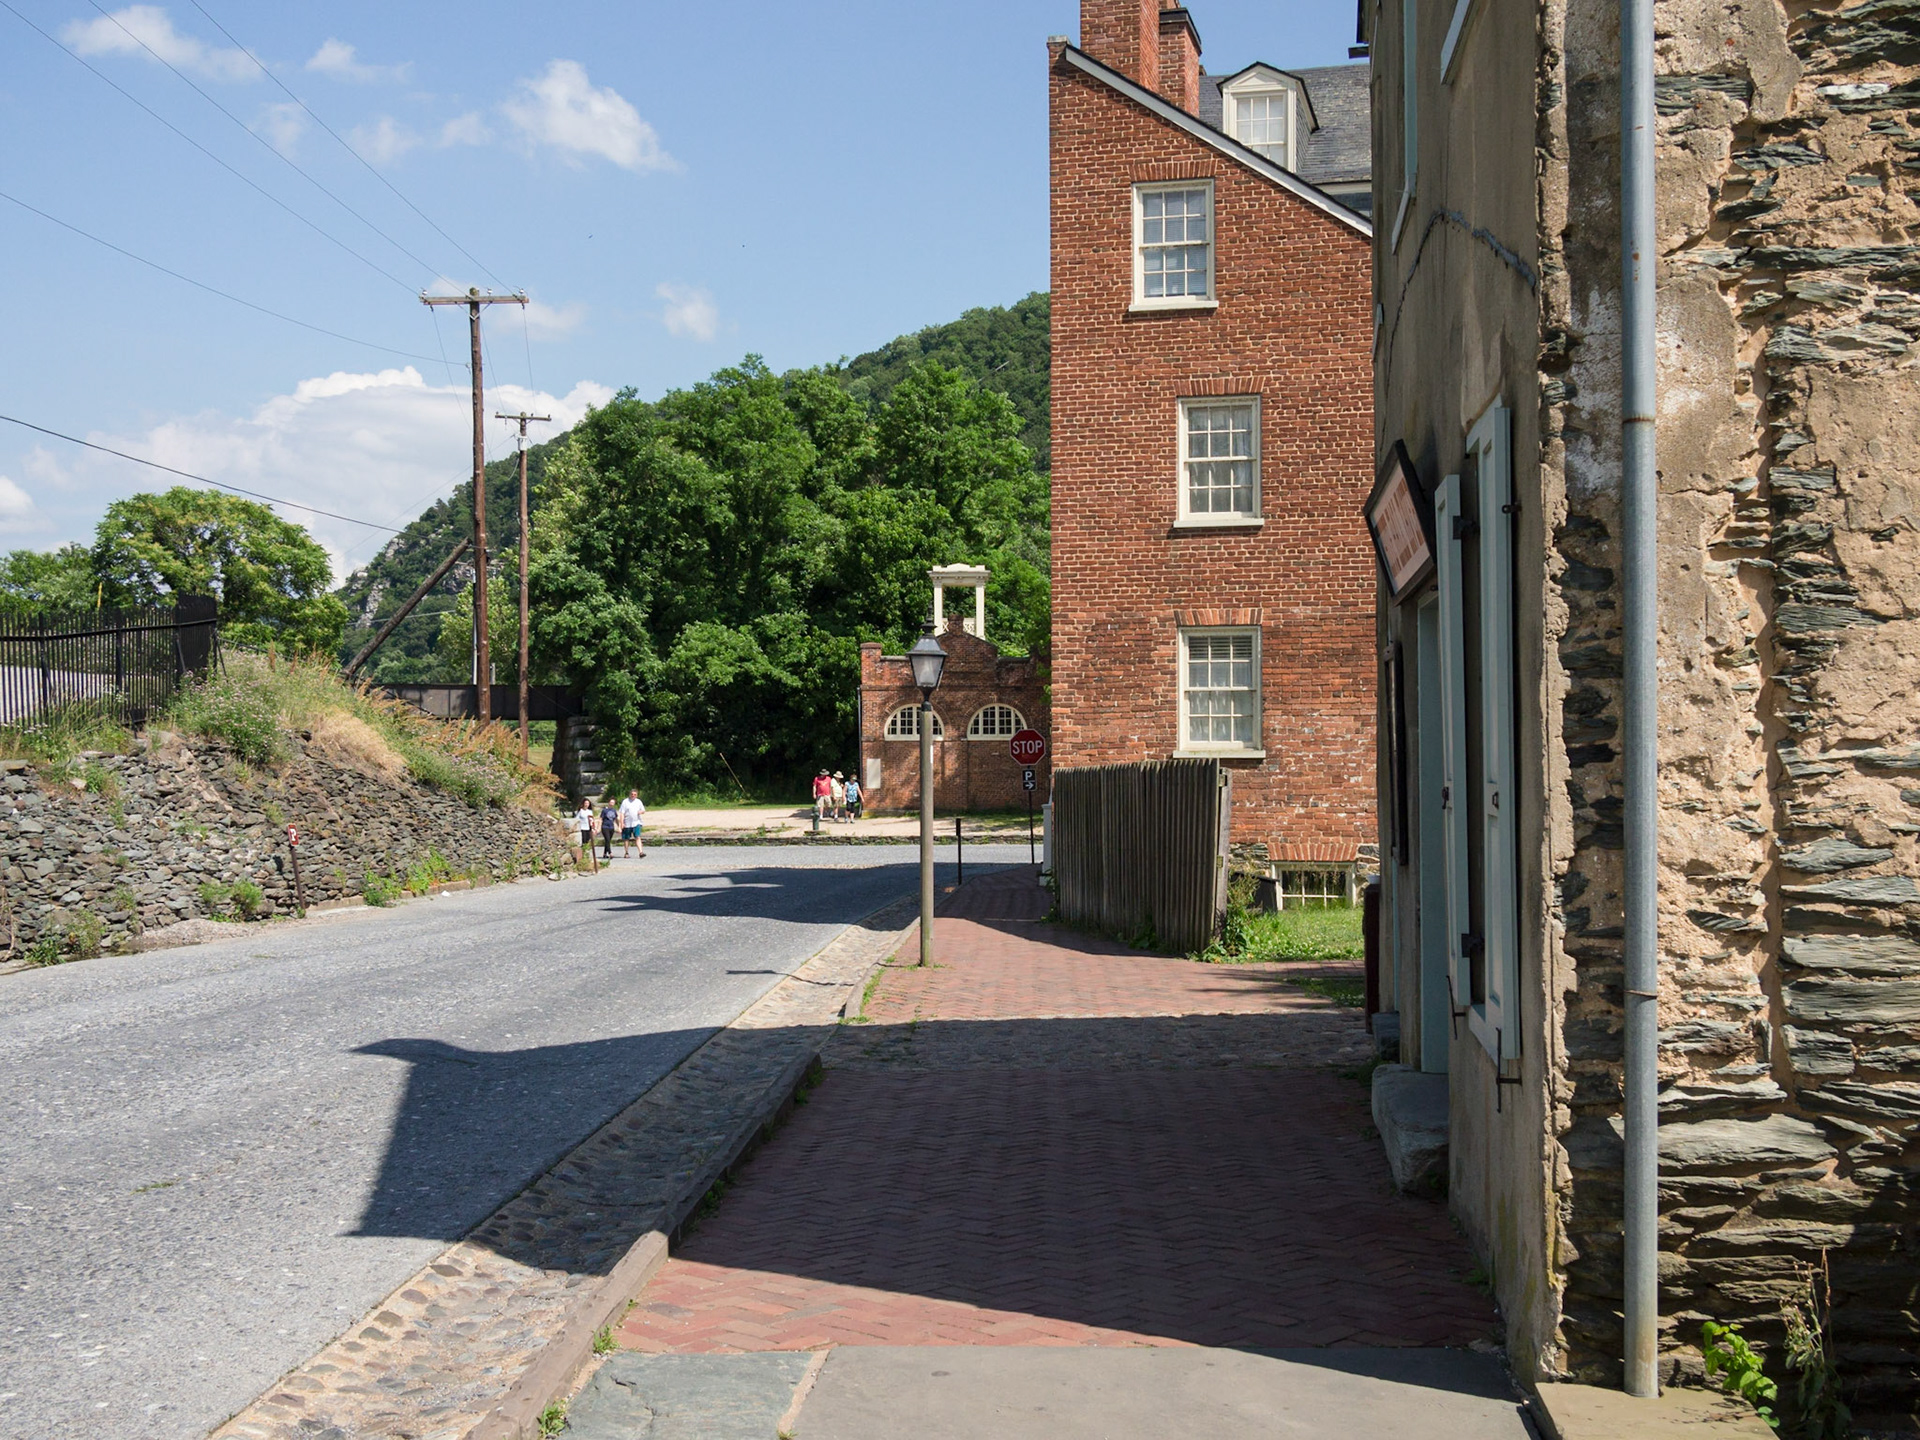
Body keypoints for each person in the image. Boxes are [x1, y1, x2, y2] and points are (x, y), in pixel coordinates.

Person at [618, 788, 646, 857]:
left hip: (636, 822)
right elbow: (622, 813)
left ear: (637, 795)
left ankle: (641, 852)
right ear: (630, 794)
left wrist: (640, 812)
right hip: (627, 823)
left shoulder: (638, 801)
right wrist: (621, 823)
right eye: (632, 794)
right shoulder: (625, 802)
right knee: (626, 838)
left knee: (638, 837)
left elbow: (643, 810)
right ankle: (626, 852)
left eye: (635, 794)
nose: (633, 795)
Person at [573, 799, 594, 866]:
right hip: (582, 828)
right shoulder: (581, 811)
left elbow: (592, 820)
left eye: (588, 803)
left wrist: (593, 828)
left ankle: (586, 854)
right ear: (583, 804)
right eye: (586, 803)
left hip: (588, 828)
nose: (587, 805)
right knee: (583, 841)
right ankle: (582, 854)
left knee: (587, 841)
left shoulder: (590, 812)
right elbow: (577, 819)